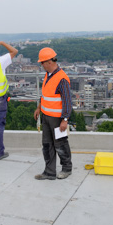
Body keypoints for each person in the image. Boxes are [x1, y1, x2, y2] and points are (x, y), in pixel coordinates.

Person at [33, 48, 73, 180]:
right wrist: (39, 107)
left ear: (49, 62)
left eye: (42, 63)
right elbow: (45, 95)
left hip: (57, 119)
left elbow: (67, 101)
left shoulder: (62, 79)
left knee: (61, 144)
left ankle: (67, 168)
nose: (41, 65)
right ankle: (49, 172)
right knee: (47, 145)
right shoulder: (47, 75)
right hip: (46, 116)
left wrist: (65, 119)